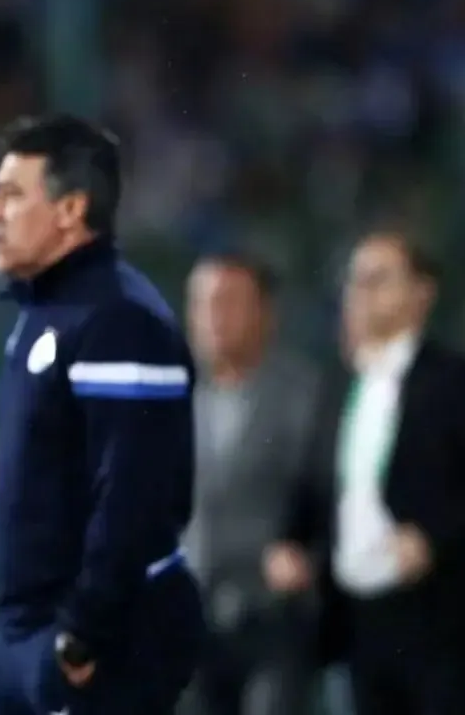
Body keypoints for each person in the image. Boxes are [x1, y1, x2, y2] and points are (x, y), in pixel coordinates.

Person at [0, 114, 204, 715]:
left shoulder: (119, 320)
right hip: (22, 631)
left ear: (71, 209)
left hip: (92, 640)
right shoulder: (47, 312)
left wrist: (83, 631)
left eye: (11, 194)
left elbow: (134, 494)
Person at [264, 229, 465, 715]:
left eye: (379, 279)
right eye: (356, 280)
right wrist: (290, 540)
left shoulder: (456, 379)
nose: (361, 291)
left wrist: (432, 538)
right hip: (356, 618)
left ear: (422, 292)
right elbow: (317, 479)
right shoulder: (338, 382)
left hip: (439, 614)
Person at [178, 253, 318, 715]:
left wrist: (305, 551)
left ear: (265, 313)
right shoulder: (171, 401)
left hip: (271, 617)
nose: (213, 318)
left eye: (228, 302)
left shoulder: (305, 398)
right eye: (201, 304)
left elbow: (327, 494)